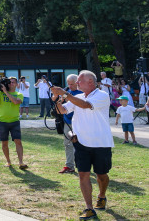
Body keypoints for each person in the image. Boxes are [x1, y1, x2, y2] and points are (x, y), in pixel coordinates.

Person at [50, 71, 114, 220]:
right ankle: (89, 208)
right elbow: (63, 110)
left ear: (90, 82)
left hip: (101, 143)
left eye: (80, 81)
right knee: (83, 174)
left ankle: (102, 196)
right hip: (81, 142)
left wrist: (64, 94)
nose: (77, 84)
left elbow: (85, 105)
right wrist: (58, 100)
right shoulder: (76, 97)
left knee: (101, 175)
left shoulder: (102, 95)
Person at [0, 77, 27, 169]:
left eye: (13, 82)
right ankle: (8, 161)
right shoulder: (0, 93)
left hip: (14, 121)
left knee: (18, 141)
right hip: (2, 121)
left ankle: (21, 162)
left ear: (16, 84)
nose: (11, 84)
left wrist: (6, 92)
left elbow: (15, 102)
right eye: (10, 82)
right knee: (4, 143)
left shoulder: (19, 94)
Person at [52, 74, 83, 174]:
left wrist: (65, 95)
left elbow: (75, 100)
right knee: (68, 143)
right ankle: (69, 166)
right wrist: (57, 95)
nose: (70, 86)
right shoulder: (67, 92)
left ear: (77, 82)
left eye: (72, 84)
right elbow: (55, 100)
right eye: (68, 84)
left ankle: (82, 165)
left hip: (80, 122)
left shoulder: (82, 93)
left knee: (81, 144)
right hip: (67, 122)